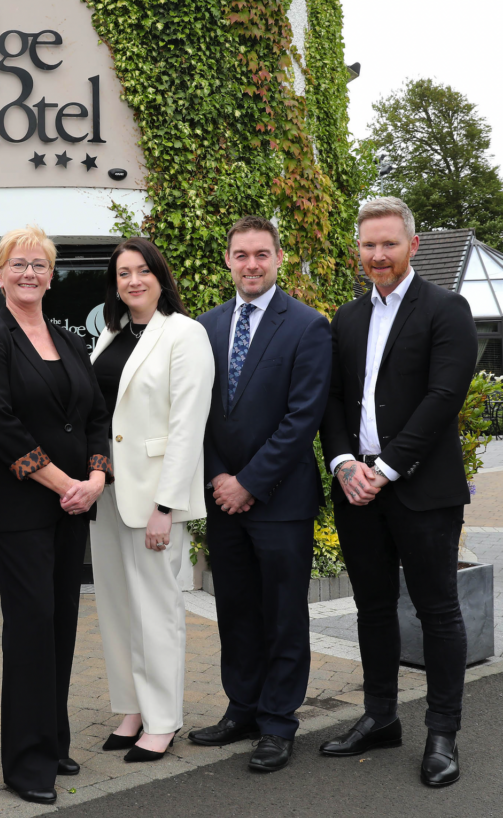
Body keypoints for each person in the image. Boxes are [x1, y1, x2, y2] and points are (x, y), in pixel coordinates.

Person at [318, 197, 477, 787]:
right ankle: (381, 716)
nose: (377, 255)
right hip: (356, 487)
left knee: (438, 612)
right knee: (373, 609)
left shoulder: (447, 309)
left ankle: (442, 733)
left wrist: (385, 468)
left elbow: (444, 397)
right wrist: (341, 463)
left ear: (412, 245)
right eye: (368, 245)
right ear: (358, 250)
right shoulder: (346, 318)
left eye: (388, 243)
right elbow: (332, 399)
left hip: (420, 491)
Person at [0, 225, 112, 805]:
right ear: (0, 275)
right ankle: (25, 763)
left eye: (40, 265)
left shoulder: (70, 340)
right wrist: (63, 482)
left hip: (73, 507)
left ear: (52, 276)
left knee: (62, 627)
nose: (29, 273)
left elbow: (97, 413)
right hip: (23, 508)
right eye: (18, 264)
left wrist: (95, 479)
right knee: (29, 630)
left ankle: (51, 740)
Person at [190, 215, 332, 772]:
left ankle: (278, 721)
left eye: (261, 254)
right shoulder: (205, 327)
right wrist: (221, 478)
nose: (251, 264)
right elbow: (197, 415)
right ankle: (242, 709)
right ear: (228, 260)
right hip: (223, 499)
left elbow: (303, 419)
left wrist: (248, 482)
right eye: (241, 254)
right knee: (237, 611)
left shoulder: (306, 326)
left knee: (282, 615)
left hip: (281, 502)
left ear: (278, 258)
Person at [88, 238, 214, 763]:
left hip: (153, 500)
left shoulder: (185, 334)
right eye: (123, 273)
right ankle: (132, 709)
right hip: (109, 493)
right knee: (117, 609)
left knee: (157, 612)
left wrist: (166, 505)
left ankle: (163, 720)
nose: (133, 280)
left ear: (160, 276)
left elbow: (187, 428)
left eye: (142, 271)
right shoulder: (110, 333)